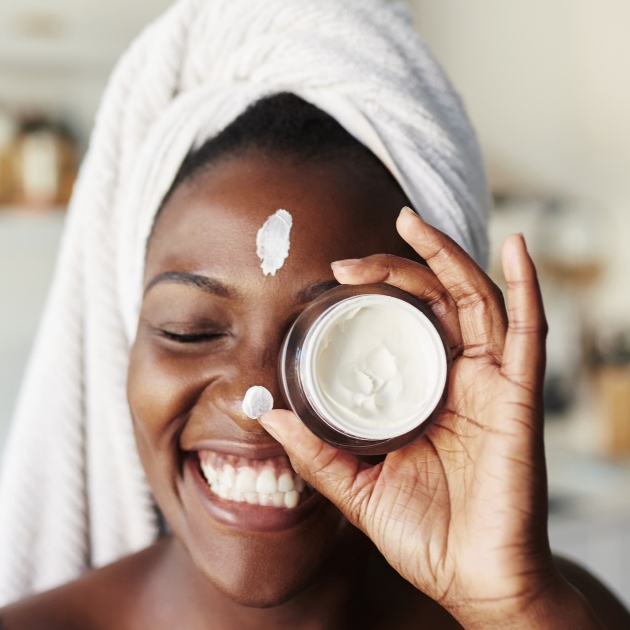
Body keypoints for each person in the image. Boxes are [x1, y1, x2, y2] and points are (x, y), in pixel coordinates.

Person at [0, 2, 629, 629]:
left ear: (442, 354)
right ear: (125, 342)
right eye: (187, 330)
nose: (257, 399)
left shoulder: (557, 613)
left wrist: (510, 610)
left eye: (336, 338)